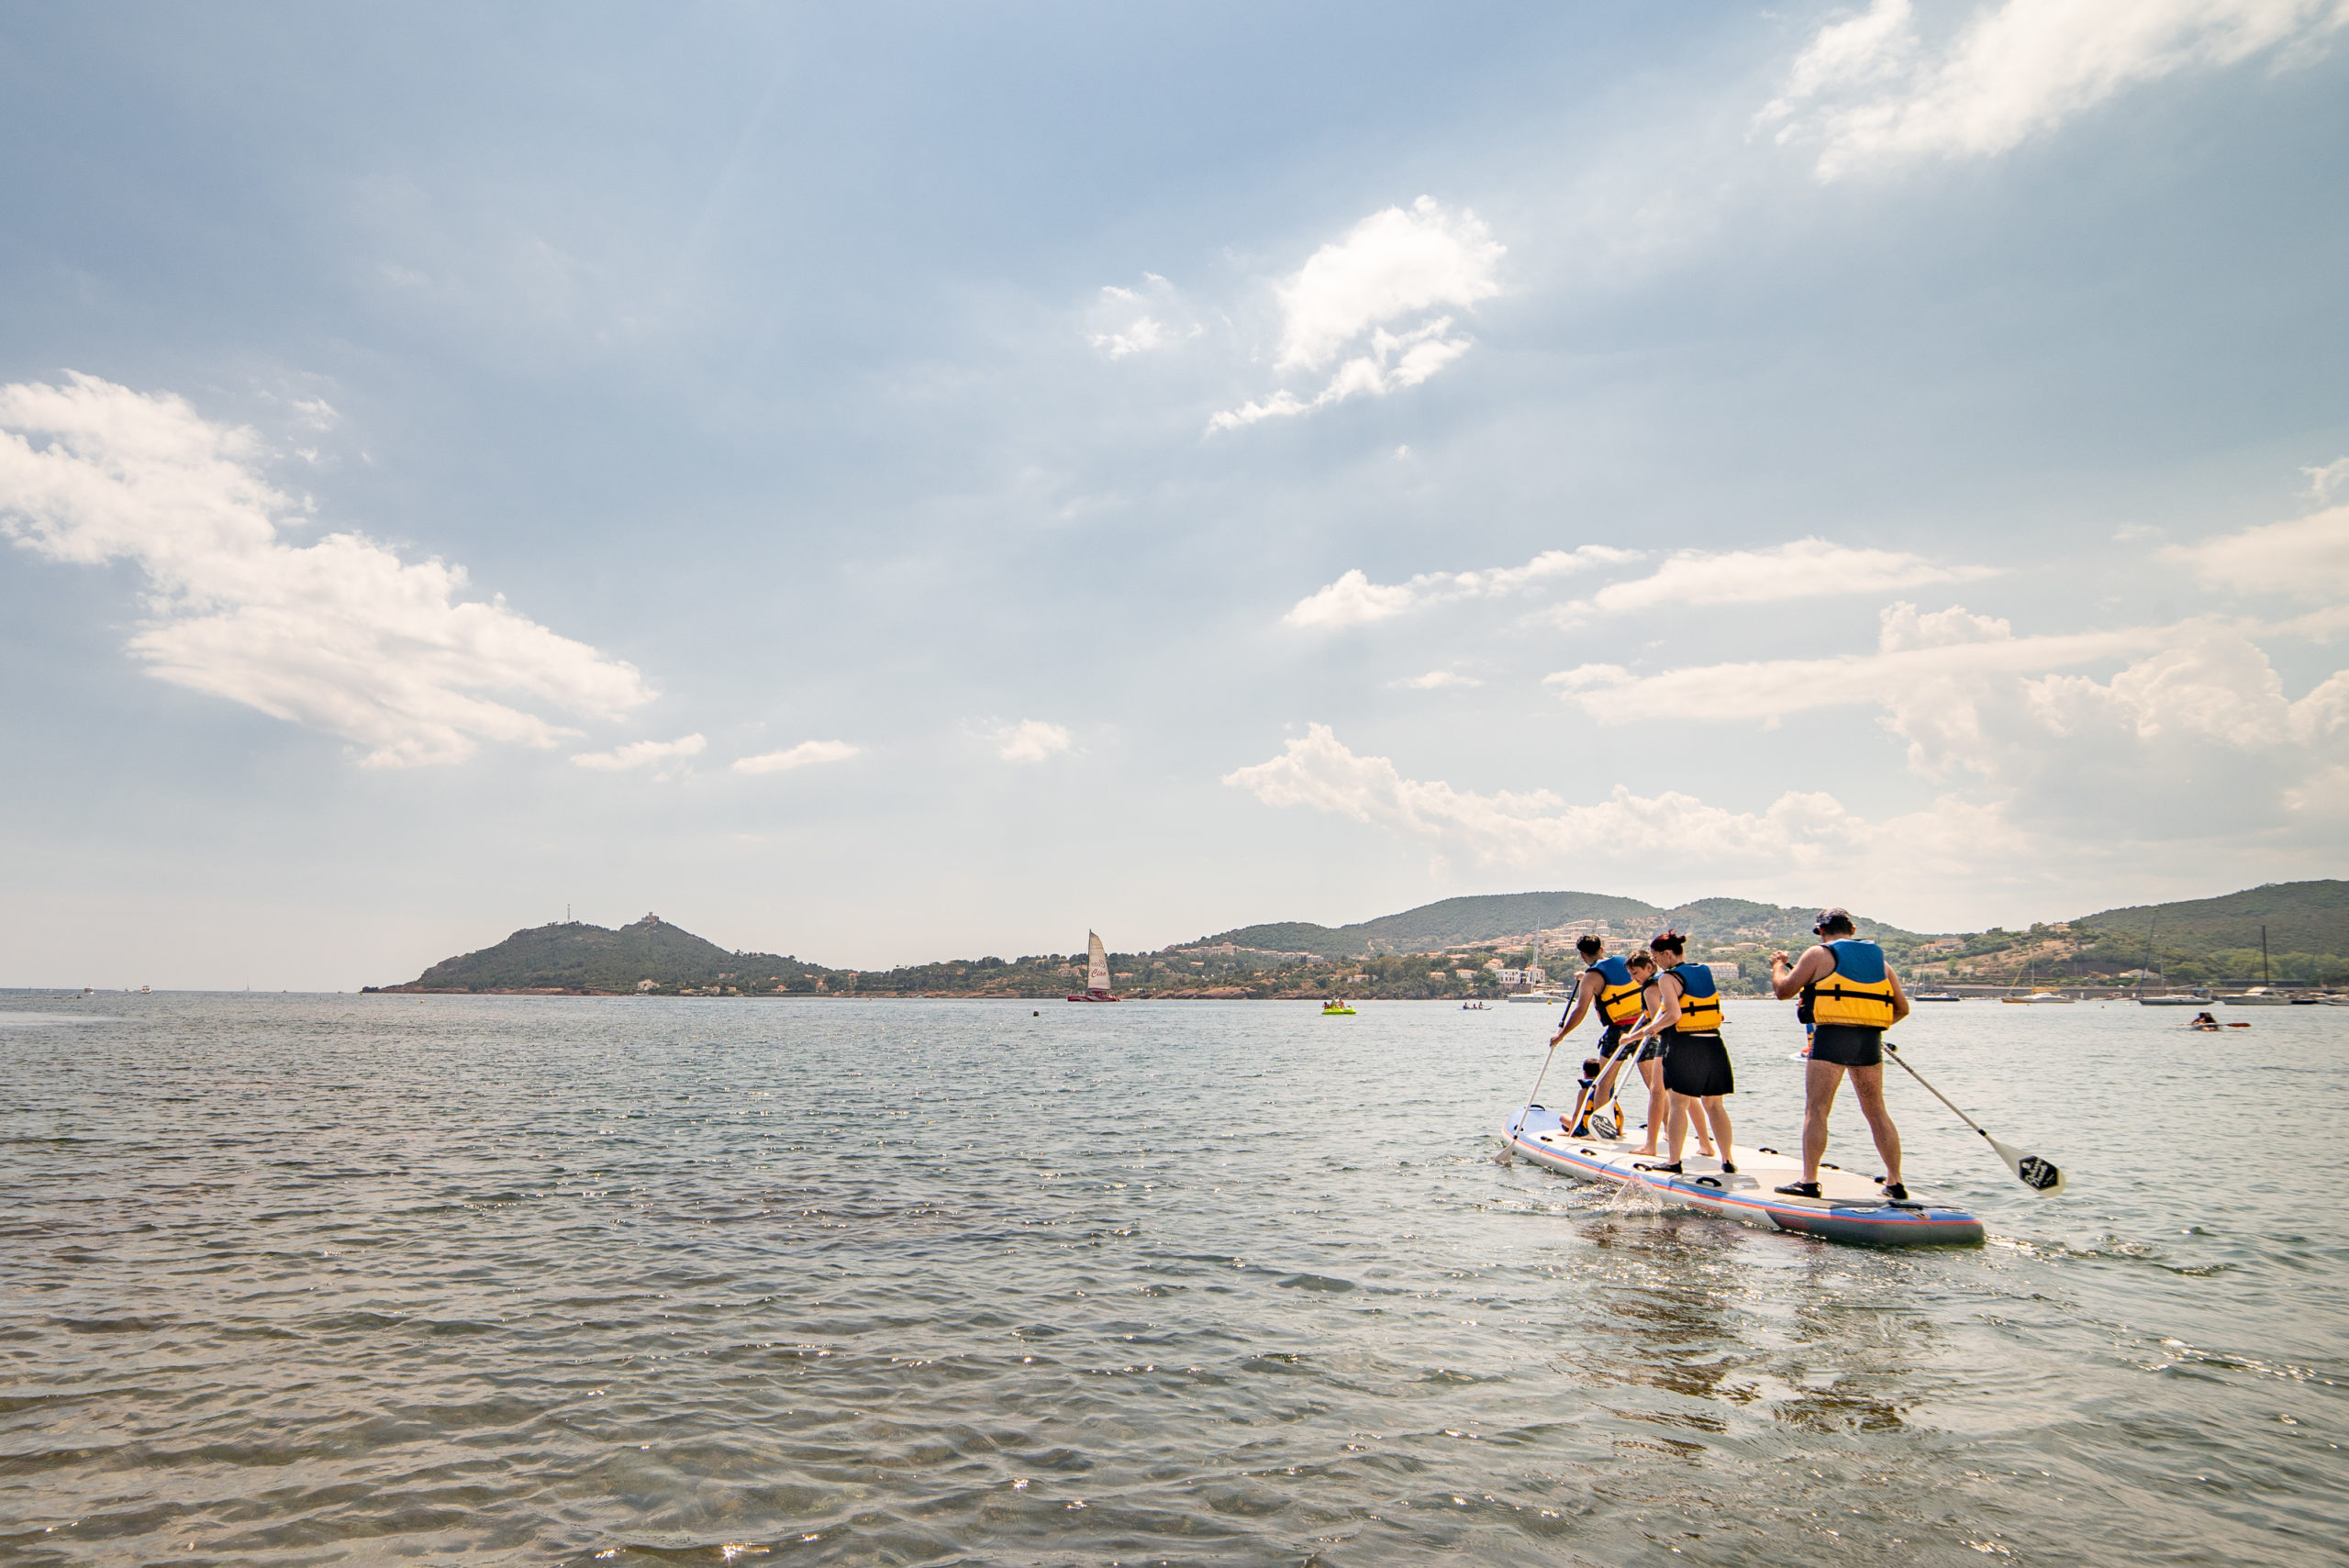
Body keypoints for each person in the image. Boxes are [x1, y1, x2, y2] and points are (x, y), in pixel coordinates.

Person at [1769, 907, 1909, 1202]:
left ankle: (1809, 1181)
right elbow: (1902, 1009)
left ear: (1821, 931)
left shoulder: (1817, 954)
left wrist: (1779, 965)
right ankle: (1895, 1182)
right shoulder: (1881, 963)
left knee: (1817, 1110)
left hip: (1831, 1038)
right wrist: (1870, 1024)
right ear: (1853, 930)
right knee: (1876, 1111)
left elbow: (1784, 991)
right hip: (1869, 1040)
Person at [1619, 932, 1732, 1170]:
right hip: (1713, 1043)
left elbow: (1673, 1015)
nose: (1656, 962)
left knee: (1678, 1103)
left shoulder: (1668, 979)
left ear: (1667, 954)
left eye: (1656, 957)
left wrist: (1638, 1034)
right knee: (1714, 1105)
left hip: (1685, 1044)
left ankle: (1673, 1161)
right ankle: (1727, 1160)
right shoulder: (1704, 970)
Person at [1552, 934, 1645, 1126]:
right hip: (1643, 1027)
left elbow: (1580, 1010)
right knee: (1655, 1085)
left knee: (1604, 1084)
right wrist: (1584, 977)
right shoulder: (1625, 963)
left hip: (1618, 1031)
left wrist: (1561, 1035)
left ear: (1582, 955)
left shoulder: (1591, 977)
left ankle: (1600, 1131)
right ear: (1602, 949)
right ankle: (1668, 1132)